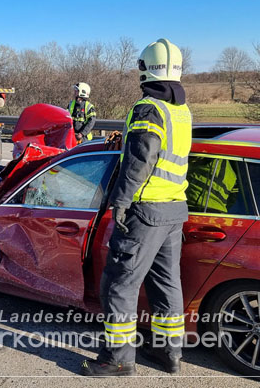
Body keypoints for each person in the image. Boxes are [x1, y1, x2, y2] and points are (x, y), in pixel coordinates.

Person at [82, 39, 192, 376]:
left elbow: (140, 159)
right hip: (175, 209)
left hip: (146, 210)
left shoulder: (149, 108)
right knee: (166, 284)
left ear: (145, 69)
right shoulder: (181, 110)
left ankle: (117, 360)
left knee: (119, 285)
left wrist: (121, 201)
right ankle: (168, 354)